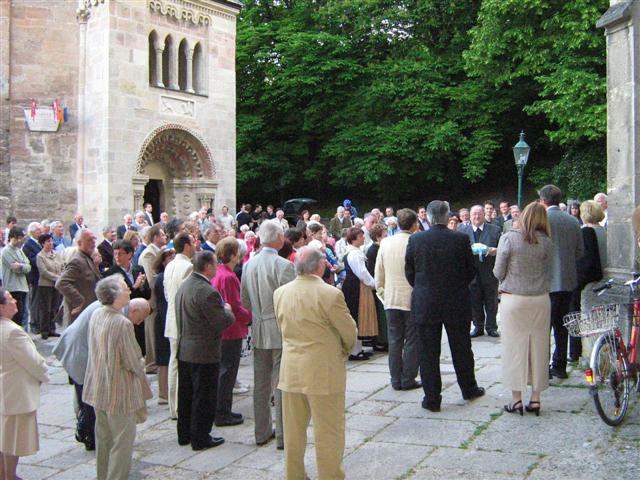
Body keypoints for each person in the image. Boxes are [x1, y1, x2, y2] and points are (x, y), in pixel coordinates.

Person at [274, 247, 357, 480]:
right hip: (323, 371)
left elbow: (282, 328)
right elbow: (349, 332)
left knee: (293, 432)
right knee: (329, 431)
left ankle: (294, 475)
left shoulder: (280, 293)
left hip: (291, 370)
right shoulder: (329, 294)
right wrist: (343, 350)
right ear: (319, 266)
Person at [405, 200, 484, 412]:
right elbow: (471, 270)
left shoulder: (417, 240)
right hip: (455, 301)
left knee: (428, 352)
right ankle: (469, 388)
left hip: (426, 301)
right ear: (447, 216)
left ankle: (432, 398)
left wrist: (424, 288)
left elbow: (410, 272)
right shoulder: (460, 239)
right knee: (462, 348)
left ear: (429, 218)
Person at [53, 297, 150, 452]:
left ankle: (90, 432)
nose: (138, 323)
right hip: (80, 352)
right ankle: (87, 433)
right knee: (90, 397)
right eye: (140, 319)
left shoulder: (115, 309)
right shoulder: (117, 317)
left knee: (89, 395)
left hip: (84, 350)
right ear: (134, 311)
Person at [83, 276, 152, 480]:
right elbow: (132, 360)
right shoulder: (122, 323)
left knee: (104, 439)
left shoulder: (97, 314)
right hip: (118, 391)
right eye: (124, 289)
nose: (129, 291)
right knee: (122, 443)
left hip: (99, 386)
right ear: (113, 295)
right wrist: (141, 366)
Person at [493, 202, 553, 416]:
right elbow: (549, 271)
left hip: (514, 298)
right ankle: (536, 398)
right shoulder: (546, 242)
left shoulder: (509, 238)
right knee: (539, 347)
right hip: (540, 299)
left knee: (514, 348)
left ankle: (516, 399)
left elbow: (498, 272)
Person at [241, 219, 295, 449]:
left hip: (259, 327)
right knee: (281, 382)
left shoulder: (248, 265)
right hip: (279, 327)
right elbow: (292, 300)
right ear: (277, 238)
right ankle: (283, 434)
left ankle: (261, 431)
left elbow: (245, 300)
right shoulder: (282, 265)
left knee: (261, 383)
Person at [176, 251, 234, 450]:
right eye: (215, 264)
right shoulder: (206, 291)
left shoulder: (185, 285)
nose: (217, 267)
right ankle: (200, 437)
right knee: (204, 396)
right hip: (203, 352)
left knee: (187, 394)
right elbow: (220, 322)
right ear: (207, 266)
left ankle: (184, 434)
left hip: (185, 349)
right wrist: (227, 310)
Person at [0, 288, 49, 480]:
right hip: (16, 392)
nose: (15, 302)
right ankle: (8, 476)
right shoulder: (12, 332)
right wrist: (45, 375)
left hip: (7, 389)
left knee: (6, 437)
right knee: (13, 441)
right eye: (10, 299)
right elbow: (33, 361)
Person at [539, 185, 584, 379]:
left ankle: (542, 367)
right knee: (562, 325)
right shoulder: (572, 221)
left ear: (543, 200)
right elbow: (580, 252)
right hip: (567, 281)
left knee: (543, 327)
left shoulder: (541, 220)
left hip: (545, 282)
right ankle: (559, 366)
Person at [375, 209, 421, 391]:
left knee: (395, 340)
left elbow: (379, 274)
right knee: (411, 340)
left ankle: (395, 379)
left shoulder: (385, 243)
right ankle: (408, 378)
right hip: (411, 298)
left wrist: (384, 293)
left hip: (391, 299)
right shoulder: (416, 242)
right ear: (414, 224)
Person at [211, 238, 252, 427]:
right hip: (231, 329)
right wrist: (250, 317)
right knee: (228, 372)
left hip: (225, 328)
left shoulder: (221, 273)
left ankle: (223, 410)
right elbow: (234, 305)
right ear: (232, 254)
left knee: (225, 371)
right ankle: (222, 412)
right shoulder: (227, 276)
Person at [569, 200, 606, 362]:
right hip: (604, 276)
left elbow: (584, 260)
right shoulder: (604, 231)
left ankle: (575, 350)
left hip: (586, 281)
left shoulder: (586, 232)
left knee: (574, 313)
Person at [164, 232, 196, 419]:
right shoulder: (187, 267)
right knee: (179, 365)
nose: (194, 245)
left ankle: (174, 406)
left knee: (173, 363)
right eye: (192, 242)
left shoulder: (170, 266)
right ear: (185, 245)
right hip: (182, 321)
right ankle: (178, 407)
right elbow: (187, 297)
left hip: (172, 319)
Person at [458, 205, 502, 337]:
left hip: (489, 271)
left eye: (479, 214)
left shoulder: (495, 230)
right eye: (474, 215)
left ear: (484, 215)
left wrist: (493, 250)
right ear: (470, 216)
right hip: (471, 274)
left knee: (491, 302)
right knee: (474, 302)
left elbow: (502, 249)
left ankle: (491, 327)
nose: (476, 217)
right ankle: (478, 326)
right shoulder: (463, 232)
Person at [104, 240, 151, 355]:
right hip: (122, 315)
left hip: (137, 317)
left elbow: (147, 294)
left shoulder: (138, 269)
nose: (117, 257)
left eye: (120, 253)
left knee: (139, 349)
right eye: (115, 254)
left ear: (130, 254)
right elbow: (116, 298)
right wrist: (135, 286)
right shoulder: (111, 273)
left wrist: (141, 287)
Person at [341, 227, 377, 360]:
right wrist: (374, 283)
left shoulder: (354, 251)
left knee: (358, 316)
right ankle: (354, 351)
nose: (363, 238)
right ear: (354, 238)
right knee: (356, 315)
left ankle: (358, 348)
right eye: (361, 236)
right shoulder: (354, 254)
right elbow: (362, 273)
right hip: (355, 287)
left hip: (355, 285)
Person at [138, 225, 168, 374]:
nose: (165, 237)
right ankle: (151, 362)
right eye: (162, 235)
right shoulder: (149, 254)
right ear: (155, 237)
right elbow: (152, 278)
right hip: (152, 299)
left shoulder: (158, 252)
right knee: (151, 330)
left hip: (159, 299)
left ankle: (156, 360)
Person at [56, 229, 101, 326]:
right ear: (80, 243)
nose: (93, 242)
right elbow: (61, 283)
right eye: (89, 240)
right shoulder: (77, 261)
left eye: (94, 239)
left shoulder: (88, 258)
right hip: (80, 314)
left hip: (90, 312)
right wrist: (79, 300)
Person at [151, 249, 175, 404]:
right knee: (164, 357)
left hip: (163, 318)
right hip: (163, 319)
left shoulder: (163, 277)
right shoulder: (161, 278)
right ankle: (163, 393)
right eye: (170, 257)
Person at [35, 233, 64, 339]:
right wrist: (57, 277)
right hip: (45, 285)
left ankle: (52, 328)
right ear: (43, 243)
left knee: (54, 307)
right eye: (48, 241)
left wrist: (61, 275)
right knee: (45, 308)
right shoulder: (40, 256)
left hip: (56, 285)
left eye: (51, 241)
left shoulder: (57, 254)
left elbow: (62, 265)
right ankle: (44, 330)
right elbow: (44, 272)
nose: (51, 243)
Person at [0, 227, 31, 325]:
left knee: (22, 314)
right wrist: (22, 266)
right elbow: (14, 268)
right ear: (12, 237)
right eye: (18, 238)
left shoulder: (19, 251)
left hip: (22, 287)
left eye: (21, 238)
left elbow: (28, 266)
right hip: (12, 287)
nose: (20, 241)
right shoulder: (6, 251)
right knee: (15, 316)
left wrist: (21, 265)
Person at [366, 224, 389, 352]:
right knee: (380, 315)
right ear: (377, 237)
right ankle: (381, 341)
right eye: (385, 235)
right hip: (378, 286)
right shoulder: (374, 250)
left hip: (382, 285)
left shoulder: (380, 248)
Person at [22, 222, 43, 333]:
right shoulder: (28, 245)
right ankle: (34, 323)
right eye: (39, 230)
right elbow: (32, 261)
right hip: (34, 277)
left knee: (41, 301)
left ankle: (40, 322)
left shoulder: (39, 244)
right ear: (33, 232)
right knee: (35, 300)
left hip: (41, 277)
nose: (41, 232)